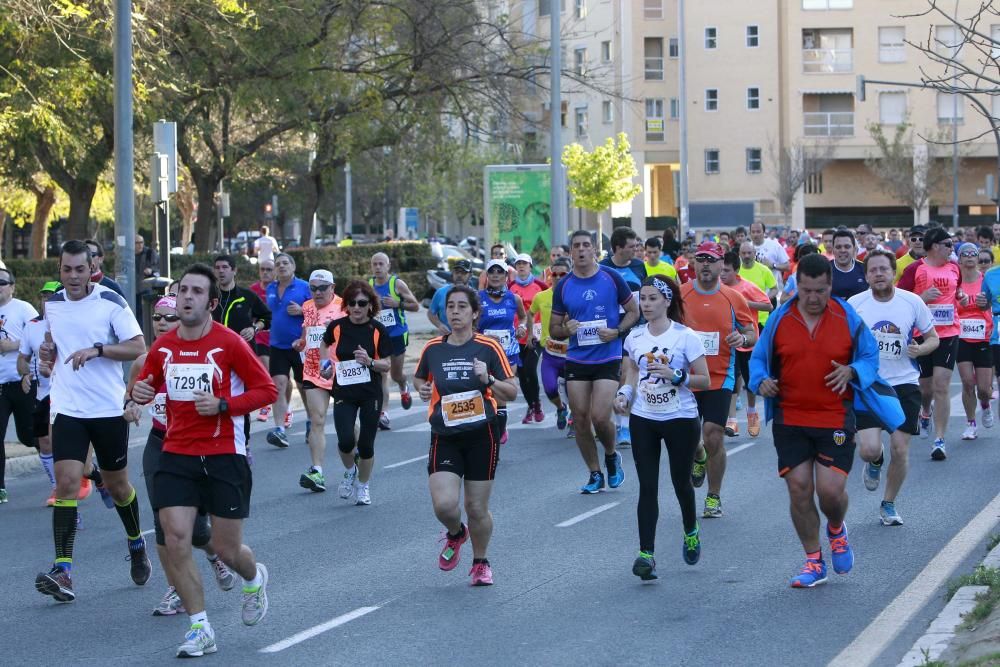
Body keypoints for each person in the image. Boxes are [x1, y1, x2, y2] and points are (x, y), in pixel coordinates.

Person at [130, 264, 277, 658]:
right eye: (183, 291)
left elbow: (266, 391)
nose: (187, 298)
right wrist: (139, 393)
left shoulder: (229, 343)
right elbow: (144, 388)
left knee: (229, 551)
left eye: (197, 292)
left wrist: (224, 404)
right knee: (175, 535)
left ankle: (253, 577)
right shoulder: (163, 348)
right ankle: (200, 627)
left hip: (224, 455)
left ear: (211, 302)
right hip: (176, 453)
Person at [750, 253, 902, 588]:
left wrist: (852, 371)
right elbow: (758, 359)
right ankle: (813, 561)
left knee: (830, 493)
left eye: (820, 290)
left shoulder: (846, 315)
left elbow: (869, 356)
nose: (814, 298)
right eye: (806, 290)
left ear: (830, 285)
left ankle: (836, 529)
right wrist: (761, 381)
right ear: (797, 285)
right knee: (799, 489)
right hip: (790, 416)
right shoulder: (780, 318)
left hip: (834, 414)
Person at [34, 240, 149, 603]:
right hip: (68, 407)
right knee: (67, 483)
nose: (72, 276)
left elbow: (137, 346)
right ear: (60, 270)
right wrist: (48, 351)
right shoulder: (53, 304)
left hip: (107, 408)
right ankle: (63, 570)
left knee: (118, 487)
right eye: (66, 269)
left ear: (91, 269)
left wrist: (97, 350)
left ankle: (136, 542)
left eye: (79, 269)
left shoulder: (110, 301)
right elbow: (55, 343)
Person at [126, 295, 239, 617]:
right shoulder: (144, 360)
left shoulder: (200, 358)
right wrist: (131, 407)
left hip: (195, 447)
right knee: (164, 525)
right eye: (158, 317)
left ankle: (214, 556)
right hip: (159, 445)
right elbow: (131, 397)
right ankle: (177, 587)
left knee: (199, 531)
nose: (162, 323)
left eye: (170, 318)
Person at [414, 286, 518, 586]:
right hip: (445, 434)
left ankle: (481, 562)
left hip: (481, 434)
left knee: (476, 507)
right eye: (451, 307)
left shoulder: (488, 347)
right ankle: (457, 533)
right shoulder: (434, 348)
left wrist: (489, 379)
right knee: (445, 505)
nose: (455, 312)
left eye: (462, 307)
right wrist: (422, 388)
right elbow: (421, 376)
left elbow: (511, 391)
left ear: (474, 313)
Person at [616, 276, 710, 581]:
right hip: (644, 417)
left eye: (653, 298)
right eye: (643, 298)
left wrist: (676, 374)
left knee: (681, 483)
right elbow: (631, 371)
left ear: (667, 301)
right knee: (647, 486)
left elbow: (705, 380)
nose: (646, 304)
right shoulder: (635, 337)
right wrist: (625, 393)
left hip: (680, 417)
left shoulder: (686, 337)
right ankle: (647, 554)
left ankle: (691, 530)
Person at [848, 250, 938, 526]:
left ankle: (888, 504)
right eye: (872, 270)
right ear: (866, 276)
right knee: (868, 450)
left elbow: (933, 339)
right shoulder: (855, 304)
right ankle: (875, 462)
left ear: (893, 273)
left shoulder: (911, 302)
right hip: (870, 385)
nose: (878, 274)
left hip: (904, 383)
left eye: (883, 269)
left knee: (901, 448)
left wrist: (920, 348)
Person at [550, 230, 640, 493]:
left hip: (608, 355)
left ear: (594, 250)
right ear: (570, 252)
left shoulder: (610, 277)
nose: (581, 250)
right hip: (577, 357)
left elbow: (633, 311)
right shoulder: (564, 285)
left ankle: (611, 455)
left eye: (586, 245)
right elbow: (553, 328)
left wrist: (617, 331)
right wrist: (566, 330)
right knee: (579, 419)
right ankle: (594, 473)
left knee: (601, 417)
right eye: (576, 246)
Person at [680, 243, 757, 518]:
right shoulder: (681, 294)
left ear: (720, 263)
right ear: (694, 263)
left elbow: (751, 333)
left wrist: (743, 338)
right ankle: (698, 456)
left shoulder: (733, 298)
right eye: (700, 259)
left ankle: (713, 496)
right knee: (688, 438)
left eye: (710, 260)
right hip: (685, 378)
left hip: (719, 376)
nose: (705, 265)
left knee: (713, 434)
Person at [318, 281, 391, 505]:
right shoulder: (337, 327)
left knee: (366, 445)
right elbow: (324, 343)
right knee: (345, 440)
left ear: (371, 305)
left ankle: (363, 485)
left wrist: (368, 361)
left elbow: (386, 364)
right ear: (346, 305)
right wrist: (325, 364)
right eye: (352, 303)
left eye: (362, 303)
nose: (357, 307)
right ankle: (350, 470)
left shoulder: (378, 329)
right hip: (344, 392)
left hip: (370, 393)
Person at [897, 227, 964, 458]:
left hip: (948, 333)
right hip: (922, 335)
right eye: (948, 244)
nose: (952, 249)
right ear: (935, 245)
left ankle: (940, 439)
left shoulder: (955, 268)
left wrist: (961, 297)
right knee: (925, 390)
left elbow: (957, 292)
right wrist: (921, 299)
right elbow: (898, 300)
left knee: (941, 386)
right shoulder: (914, 269)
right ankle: (925, 411)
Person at [292, 270, 345, 491]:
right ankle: (317, 472)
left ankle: (359, 452)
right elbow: (307, 337)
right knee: (317, 420)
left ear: (332, 288)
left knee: (348, 426)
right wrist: (301, 343)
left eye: (322, 287)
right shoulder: (306, 307)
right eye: (313, 288)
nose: (318, 292)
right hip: (313, 370)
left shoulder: (345, 306)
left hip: (341, 371)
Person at [600, 227, 648, 447]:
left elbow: (646, 295)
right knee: (615, 378)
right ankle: (613, 420)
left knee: (630, 374)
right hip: (610, 331)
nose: (636, 251)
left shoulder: (639, 266)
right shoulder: (603, 268)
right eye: (631, 247)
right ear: (618, 248)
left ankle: (625, 427)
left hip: (635, 328)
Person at [718, 252, 773, 438]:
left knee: (750, 382)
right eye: (721, 270)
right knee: (731, 379)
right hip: (727, 342)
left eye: (726, 270)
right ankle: (732, 421)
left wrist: (744, 303)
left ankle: (751, 413)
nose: (722, 274)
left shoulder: (747, 287)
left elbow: (768, 305)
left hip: (748, 341)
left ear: (736, 270)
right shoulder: (718, 288)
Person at [18, 281, 60, 504]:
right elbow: (22, 360)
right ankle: (57, 487)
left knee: (58, 441)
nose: (47, 301)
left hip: (66, 393)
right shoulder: (32, 326)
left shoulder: (69, 322)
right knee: (43, 441)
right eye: (44, 296)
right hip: (42, 393)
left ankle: (85, 476)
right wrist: (25, 374)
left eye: (52, 296)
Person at [0, 267, 40, 503]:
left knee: (28, 435)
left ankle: (57, 459)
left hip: (22, 381)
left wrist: (12, 345)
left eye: (2, 283)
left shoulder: (23, 309)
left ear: (13, 287)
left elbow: (39, 335)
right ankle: (0, 488)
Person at [478, 259, 528, 443]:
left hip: (508, 351)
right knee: (485, 390)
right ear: (487, 276)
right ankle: (488, 426)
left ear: (507, 276)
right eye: (492, 272)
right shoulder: (478, 298)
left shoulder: (513, 298)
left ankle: (499, 429)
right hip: (484, 352)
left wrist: (522, 327)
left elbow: (523, 317)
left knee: (501, 391)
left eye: (500, 272)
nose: (496, 275)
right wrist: (484, 338)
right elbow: (470, 325)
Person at [264, 253, 311, 448]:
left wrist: (302, 311)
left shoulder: (304, 287)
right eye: (278, 264)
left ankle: (311, 421)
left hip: (300, 345)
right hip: (277, 345)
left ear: (293, 266)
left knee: (303, 386)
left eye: (285, 263)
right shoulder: (271, 288)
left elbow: (317, 310)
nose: (281, 266)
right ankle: (280, 429)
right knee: (279, 386)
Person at [369, 252, 419, 428]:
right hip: (378, 335)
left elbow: (416, 305)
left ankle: (404, 385)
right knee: (382, 373)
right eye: (375, 264)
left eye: (381, 264)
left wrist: (398, 304)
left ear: (388, 266)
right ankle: (383, 413)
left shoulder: (396, 284)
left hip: (397, 333)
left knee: (396, 374)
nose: (378, 267)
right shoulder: (368, 285)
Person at [954, 243, 994, 439]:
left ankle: (985, 405)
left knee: (985, 390)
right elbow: (946, 309)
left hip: (984, 336)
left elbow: (996, 305)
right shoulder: (955, 282)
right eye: (965, 254)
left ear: (978, 258)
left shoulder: (987, 280)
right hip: (961, 337)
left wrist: (985, 305)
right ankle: (971, 423)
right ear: (959, 259)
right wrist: (957, 305)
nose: (969, 256)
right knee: (967, 382)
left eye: (973, 253)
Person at [530, 257, 572, 430]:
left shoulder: (575, 296)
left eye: (562, 274)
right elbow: (530, 313)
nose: (557, 277)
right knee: (549, 389)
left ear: (569, 275)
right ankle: (561, 409)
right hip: (550, 355)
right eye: (554, 274)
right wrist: (531, 333)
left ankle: (575, 422)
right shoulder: (541, 296)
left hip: (573, 354)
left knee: (575, 393)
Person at [510, 254, 547, 424]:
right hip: (517, 336)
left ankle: (537, 404)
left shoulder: (540, 286)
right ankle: (530, 405)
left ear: (530, 266)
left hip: (535, 335)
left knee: (531, 370)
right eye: (518, 264)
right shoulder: (510, 287)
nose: (521, 267)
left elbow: (549, 303)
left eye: (525, 263)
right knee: (522, 374)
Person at [211, 255, 270, 349]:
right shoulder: (209, 297)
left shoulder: (247, 296)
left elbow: (268, 317)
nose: (221, 271)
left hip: (243, 350)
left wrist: (253, 329)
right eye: (217, 268)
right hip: (216, 350)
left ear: (234, 271)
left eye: (225, 267)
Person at [249, 259, 276, 422]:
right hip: (260, 337)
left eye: (268, 269)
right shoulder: (253, 290)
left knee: (282, 379)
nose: (265, 272)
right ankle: (265, 404)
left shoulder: (280, 289)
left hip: (280, 338)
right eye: (262, 269)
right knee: (265, 368)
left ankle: (285, 407)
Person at [428, 259, 474, 335]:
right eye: (456, 272)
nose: (459, 275)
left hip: (468, 339)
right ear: (452, 273)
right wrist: (439, 325)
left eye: (463, 272)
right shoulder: (441, 292)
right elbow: (431, 313)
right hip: (446, 339)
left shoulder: (475, 295)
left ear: (470, 275)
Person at [750, 221, 789, 292]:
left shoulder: (774, 245)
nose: (755, 234)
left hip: (770, 292)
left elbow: (787, 266)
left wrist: (773, 265)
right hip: (750, 292)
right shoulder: (746, 247)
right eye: (753, 232)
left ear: (764, 232)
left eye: (758, 232)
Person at [830, 229, 868, 300]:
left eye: (847, 247)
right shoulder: (825, 270)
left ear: (854, 249)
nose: (843, 250)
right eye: (838, 247)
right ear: (833, 249)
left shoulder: (865, 269)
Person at [135, 234, 160, 324]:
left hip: (146, 289)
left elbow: (159, 267)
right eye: (137, 243)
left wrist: (151, 270)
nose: (140, 245)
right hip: (133, 291)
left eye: (142, 242)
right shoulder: (128, 255)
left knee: (146, 314)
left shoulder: (150, 253)